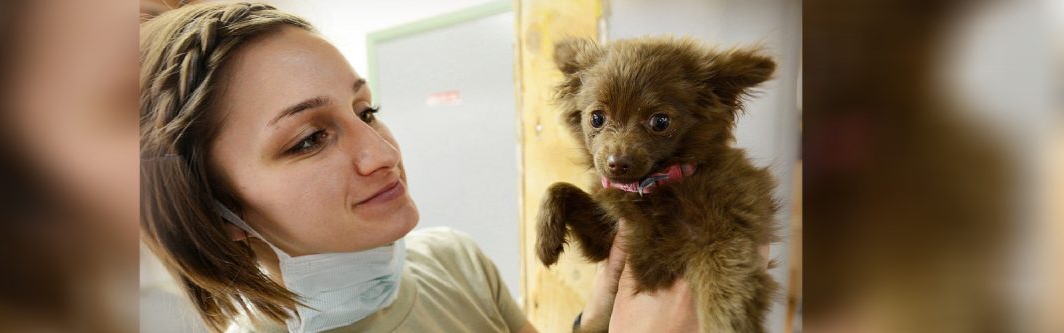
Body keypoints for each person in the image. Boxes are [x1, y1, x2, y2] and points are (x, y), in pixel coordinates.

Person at [140, 3, 768, 333]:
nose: (383, 152)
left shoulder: (452, 260)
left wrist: (599, 318)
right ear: (213, 212)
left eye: (367, 108)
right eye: (308, 140)